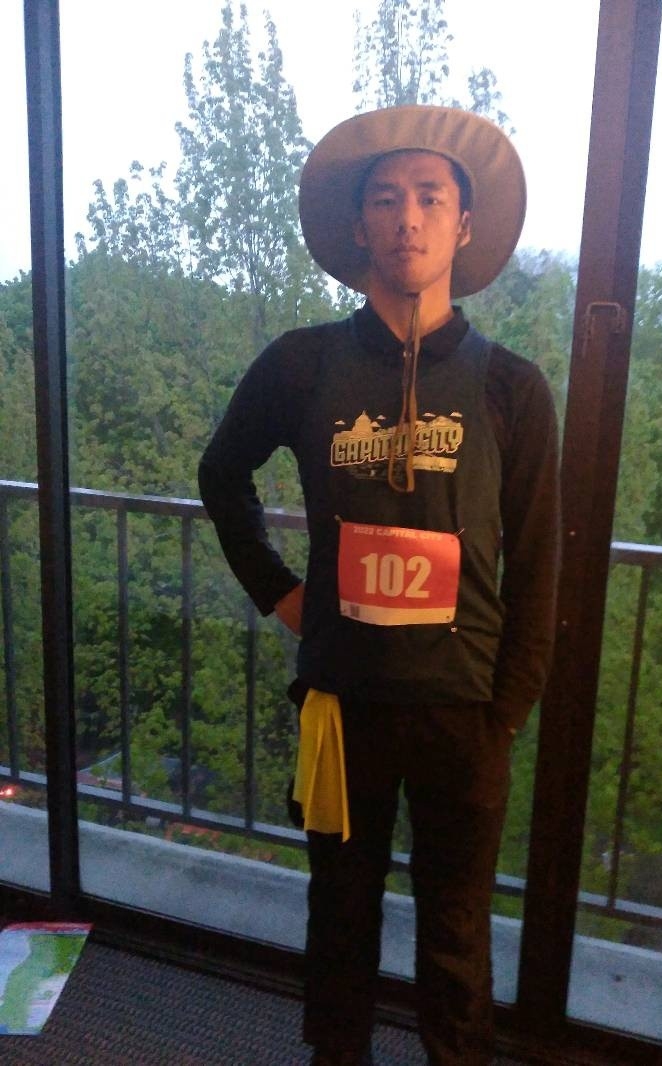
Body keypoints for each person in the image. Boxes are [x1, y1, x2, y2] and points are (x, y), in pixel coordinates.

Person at [198, 105, 561, 1066]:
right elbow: (221, 474)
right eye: (388, 199)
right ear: (359, 225)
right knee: (339, 925)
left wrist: (507, 712)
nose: (409, 218)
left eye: (431, 198)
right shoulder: (303, 363)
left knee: (456, 944)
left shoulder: (513, 388)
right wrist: (279, 593)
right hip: (341, 706)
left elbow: (538, 564)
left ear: (463, 225)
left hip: (464, 716)